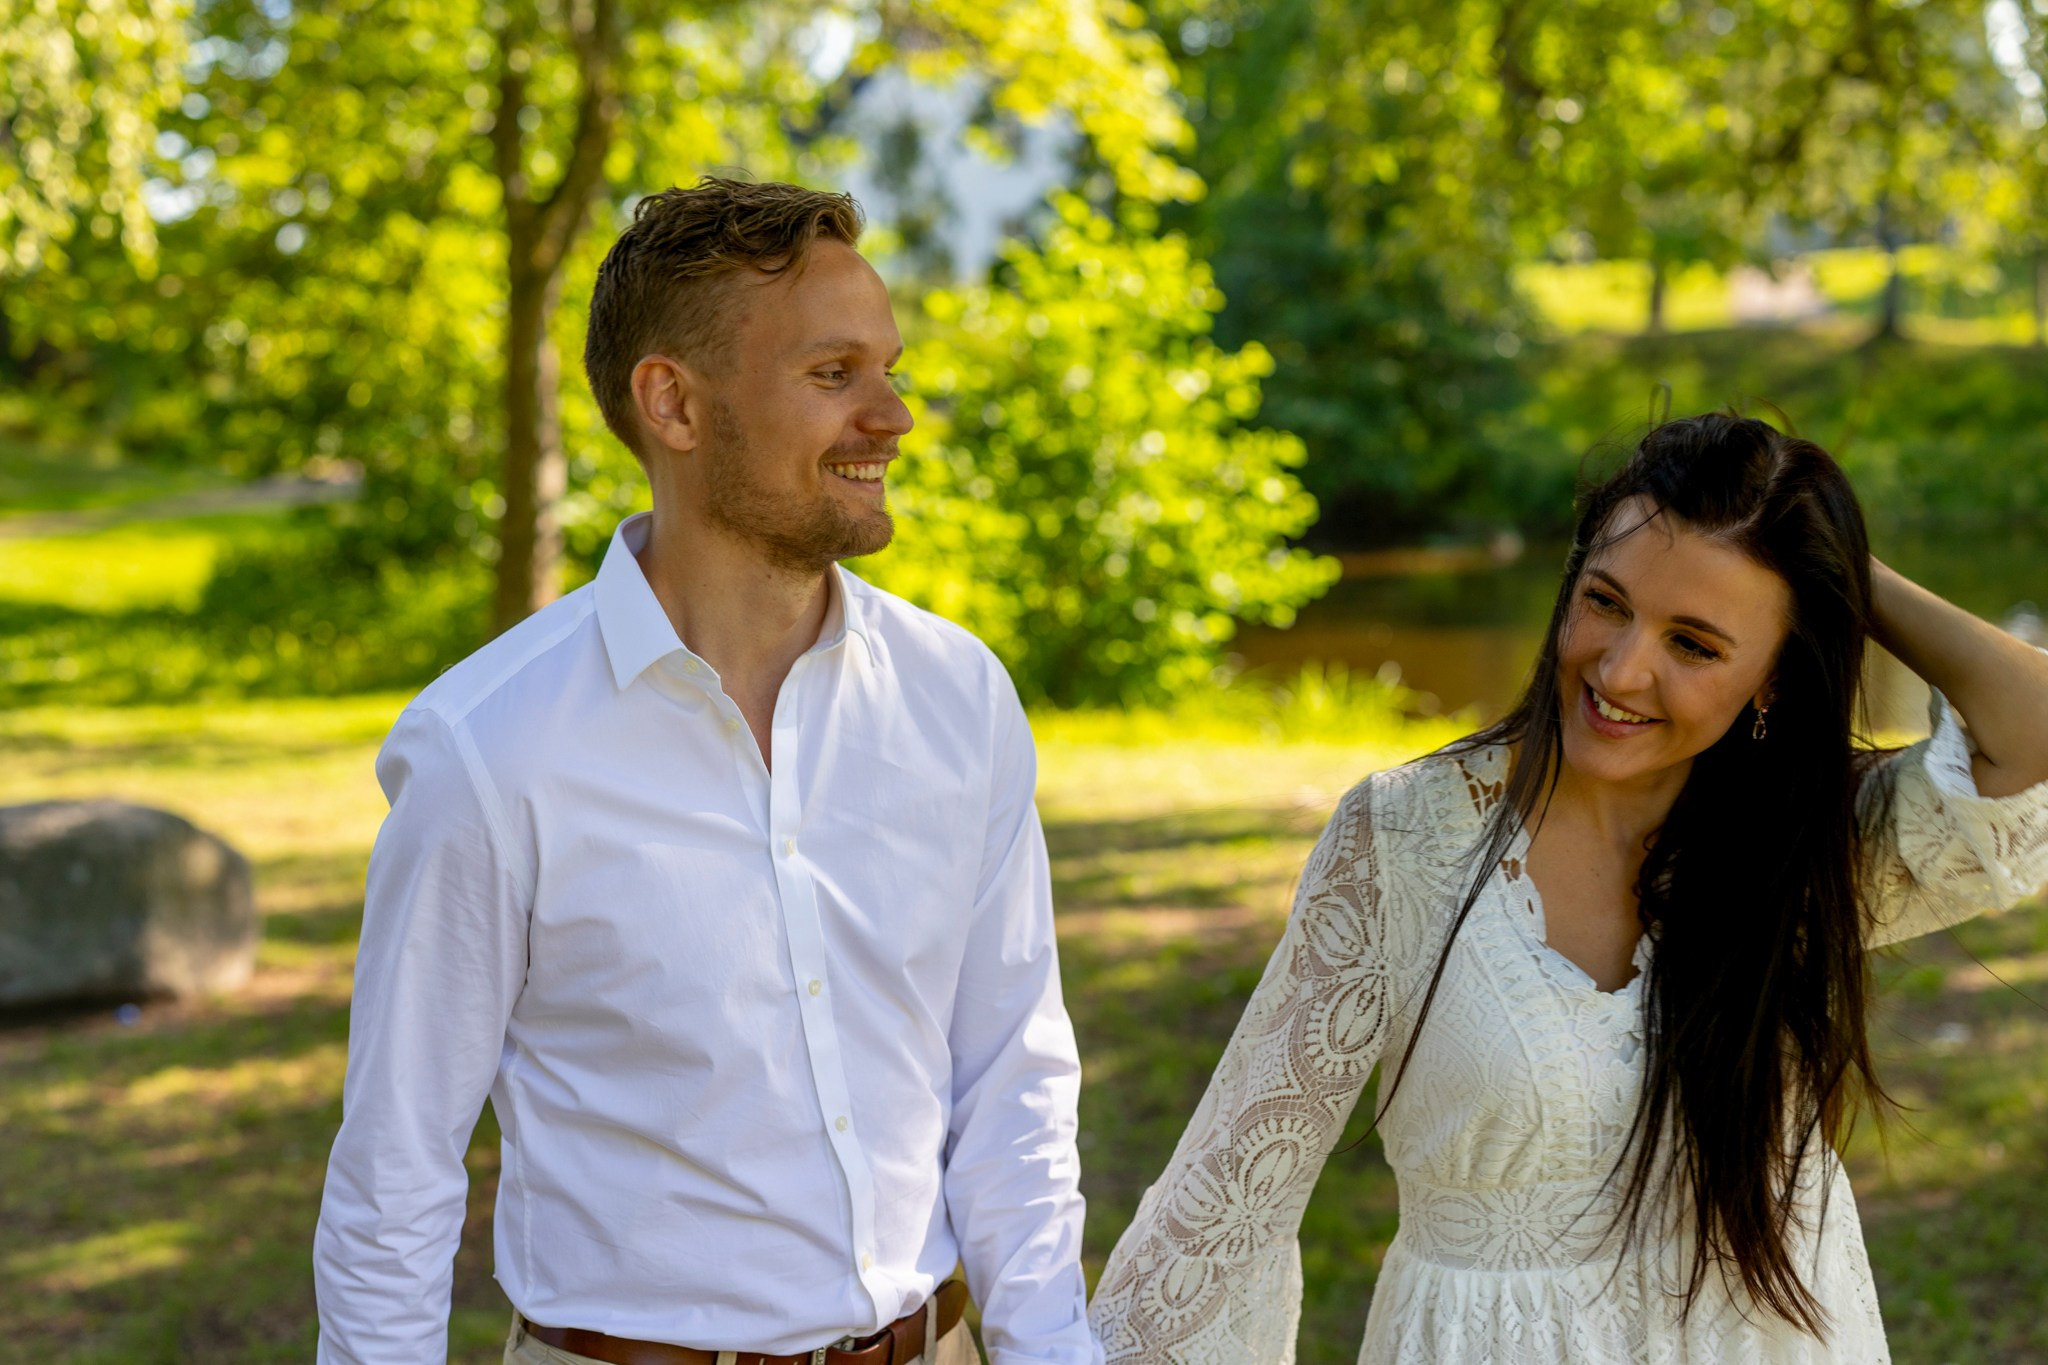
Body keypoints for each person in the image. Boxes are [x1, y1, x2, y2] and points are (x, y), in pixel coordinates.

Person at [313, 178, 1101, 1365]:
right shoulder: (489, 746)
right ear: (673, 403)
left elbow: (1013, 1080)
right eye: (833, 374)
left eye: (888, 370)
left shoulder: (957, 696)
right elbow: (396, 1174)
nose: (893, 416)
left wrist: (1051, 1349)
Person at [1086, 413, 2048, 1363]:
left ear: (1773, 678)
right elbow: (1226, 1212)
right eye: (1607, 601)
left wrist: (1831, 565)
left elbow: (2032, 731)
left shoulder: (1804, 848)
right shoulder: (1405, 839)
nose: (1621, 669)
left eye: (1695, 643)